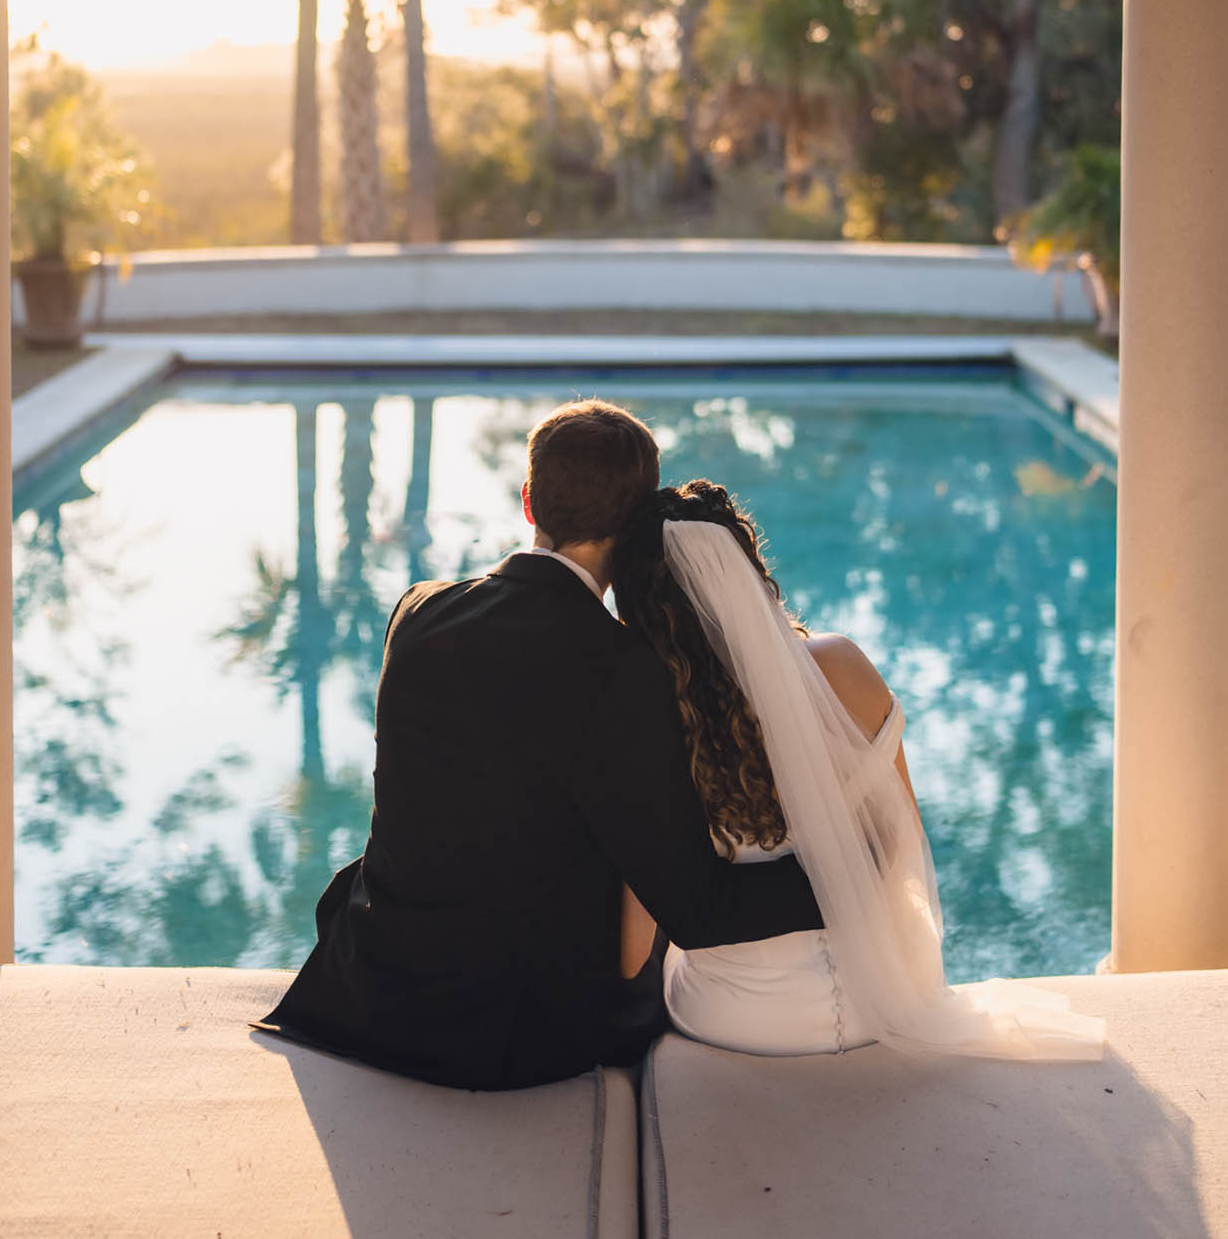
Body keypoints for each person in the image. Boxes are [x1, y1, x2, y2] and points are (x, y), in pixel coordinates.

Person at [256, 401, 825, 1090]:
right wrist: (842, 882)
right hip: (507, 1031)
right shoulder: (624, 670)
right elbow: (697, 911)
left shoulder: (419, 610)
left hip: (371, 983)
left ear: (528, 501)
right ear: (637, 522)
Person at [609, 482, 1103, 1062]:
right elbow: (904, 842)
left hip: (735, 1019)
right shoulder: (842, 663)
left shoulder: (650, 719)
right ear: (747, 575)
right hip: (882, 1005)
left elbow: (632, 952)